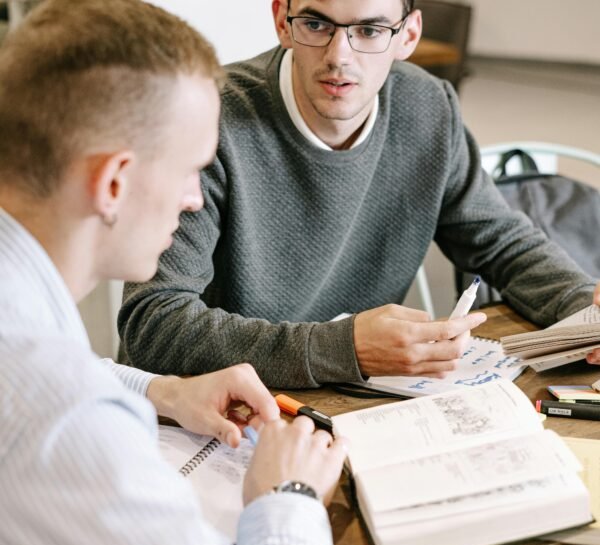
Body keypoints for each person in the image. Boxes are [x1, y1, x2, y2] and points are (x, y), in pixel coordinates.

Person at [0, 1, 366, 545]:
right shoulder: (61, 416)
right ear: (114, 182)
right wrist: (288, 499)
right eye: (192, 168)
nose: (196, 199)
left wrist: (161, 391)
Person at [118, 0, 600, 389]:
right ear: (281, 20)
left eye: (369, 30)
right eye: (315, 23)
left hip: (356, 405)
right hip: (210, 418)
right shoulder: (210, 119)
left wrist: (585, 310)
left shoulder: (429, 107)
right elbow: (153, 325)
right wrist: (342, 348)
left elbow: (501, 242)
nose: (339, 56)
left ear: (407, 35)